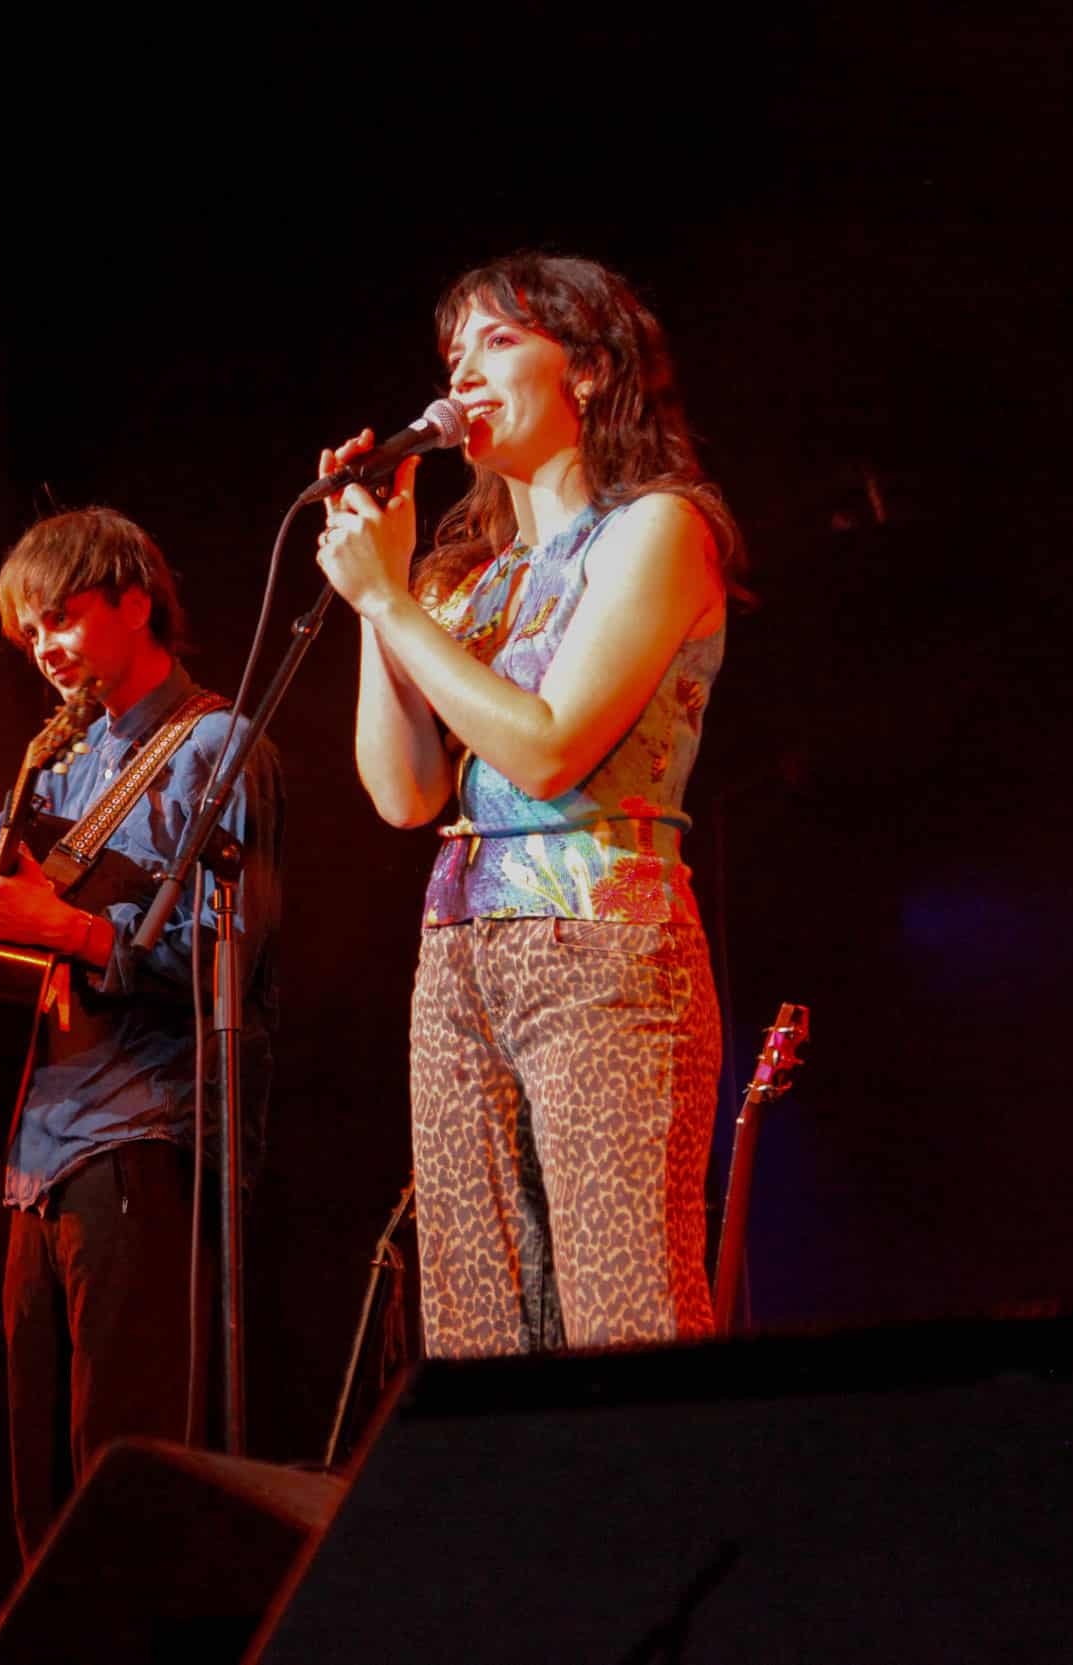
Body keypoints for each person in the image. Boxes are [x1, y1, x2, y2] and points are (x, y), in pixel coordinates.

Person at [314, 252, 745, 1358]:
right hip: (456, 961)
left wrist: (389, 604)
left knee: (625, 1316)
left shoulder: (656, 529)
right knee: (480, 1336)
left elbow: (549, 751)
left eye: (499, 342)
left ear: (589, 370)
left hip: (603, 952)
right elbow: (404, 793)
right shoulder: (466, 579)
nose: (463, 372)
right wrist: (382, 594)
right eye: (452, 353)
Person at [0, 507, 282, 1558]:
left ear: (134, 601)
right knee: (39, 1478)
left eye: (61, 619)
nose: (46, 648)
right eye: (30, 634)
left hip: (142, 1135)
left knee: (122, 1461)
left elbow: (226, 957)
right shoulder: (62, 759)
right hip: (38, 1151)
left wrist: (64, 927)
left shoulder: (215, 745)